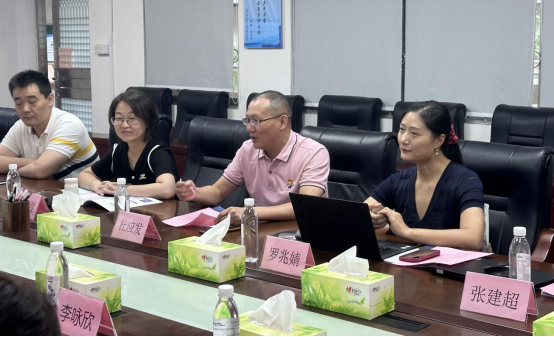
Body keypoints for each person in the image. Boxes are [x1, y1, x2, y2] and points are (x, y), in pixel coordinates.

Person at [177, 91, 330, 225]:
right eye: (247, 120)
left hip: (300, 233)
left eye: (256, 121)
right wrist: (195, 193)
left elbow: (303, 207)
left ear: (282, 122)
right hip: (259, 230)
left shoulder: (313, 153)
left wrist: (250, 212)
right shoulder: (247, 149)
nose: (249, 128)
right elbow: (217, 191)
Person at [365, 101, 485, 250]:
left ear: (438, 141)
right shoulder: (398, 180)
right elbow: (355, 214)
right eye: (402, 130)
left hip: (448, 264)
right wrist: (368, 218)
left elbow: (473, 239)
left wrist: (407, 232)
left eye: (414, 133)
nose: (403, 139)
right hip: (408, 261)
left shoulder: (466, 180)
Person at [78, 90, 179, 200]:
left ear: (148, 121)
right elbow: (84, 175)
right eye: (119, 118)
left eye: (132, 118)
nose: (124, 125)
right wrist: (96, 185)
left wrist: (122, 189)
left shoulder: (157, 152)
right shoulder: (117, 151)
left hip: (160, 210)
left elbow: (167, 189)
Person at [0, 70, 98, 180]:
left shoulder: (69, 125)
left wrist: (14, 171)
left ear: (50, 99)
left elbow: (39, 171)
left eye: (32, 102)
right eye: (19, 103)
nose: (25, 109)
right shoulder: (21, 126)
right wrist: (29, 161)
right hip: (44, 189)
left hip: (83, 189)